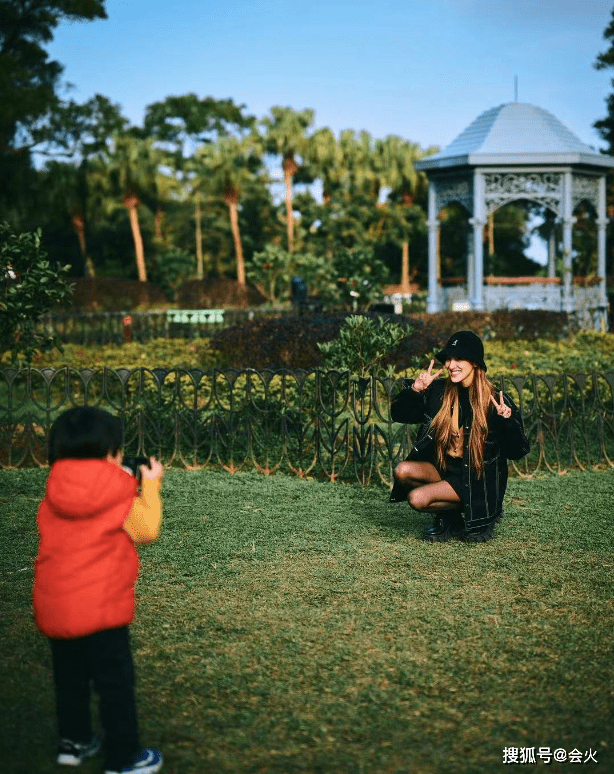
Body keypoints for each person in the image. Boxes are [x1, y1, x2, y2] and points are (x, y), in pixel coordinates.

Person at [33, 406, 164, 774]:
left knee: (70, 681)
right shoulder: (119, 492)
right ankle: (124, 759)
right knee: (114, 686)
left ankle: (74, 742)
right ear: (111, 454)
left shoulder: (53, 493)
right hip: (103, 612)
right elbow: (146, 529)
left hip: (58, 610)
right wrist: (149, 485)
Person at [389, 330, 530, 543]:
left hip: (474, 481)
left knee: (416, 499)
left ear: (474, 362)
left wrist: (506, 421)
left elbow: (518, 451)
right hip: (444, 471)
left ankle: (475, 512)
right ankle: (452, 519)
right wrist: (416, 390)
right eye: (448, 359)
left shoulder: (494, 401)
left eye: (458, 358)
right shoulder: (439, 391)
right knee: (402, 471)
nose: (450, 364)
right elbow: (400, 414)